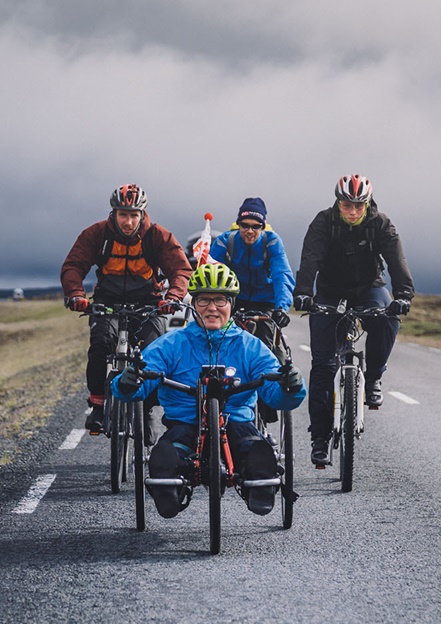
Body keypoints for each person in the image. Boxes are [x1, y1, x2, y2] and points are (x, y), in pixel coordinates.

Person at [112, 263, 306, 518]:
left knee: (256, 451)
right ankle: (169, 489)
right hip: (185, 423)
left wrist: (291, 387)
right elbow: (140, 382)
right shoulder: (171, 344)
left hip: (237, 423)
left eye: (220, 300)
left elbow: (274, 393)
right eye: (204, 300)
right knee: (166, 456)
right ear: (193, 304)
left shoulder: (251, 347)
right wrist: (128, 382)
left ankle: (259, 484)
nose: (212, 308)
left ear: (231, 304)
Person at [292, 174, 415, 467]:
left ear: (367, 203)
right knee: (323, 366)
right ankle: (319, 438)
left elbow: (397, 261)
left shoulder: (380, 224)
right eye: (347, 205)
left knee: (387, 317)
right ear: (338, 203)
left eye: (359, 206)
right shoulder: (323, 222)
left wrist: (403, 294)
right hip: (330, 291)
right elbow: (310, 259)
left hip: (368, 287)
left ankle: (373, 378)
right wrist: (304, 293)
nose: (353, 211)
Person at [60, 184, 192, 436]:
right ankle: (98, 404)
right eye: (123, 215)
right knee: (101, 344)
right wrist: (76, 294)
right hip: (107, 301)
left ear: (142, 214)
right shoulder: (97, 234)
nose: (128, 222)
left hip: (148, 303)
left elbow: (180, 269)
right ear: (114, 213)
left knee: (154, 352)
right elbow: (73, 265)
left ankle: (147, 409)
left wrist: (173, 297)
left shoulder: (157, 236)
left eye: (133, 215)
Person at [209, 196, 296, 423]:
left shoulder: (272, 242)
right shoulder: (225, 242)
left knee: (267, 348)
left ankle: (266, 409)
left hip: (264, 301)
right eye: (245, 225)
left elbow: (282, 274)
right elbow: (210, 275)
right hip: (233, 299)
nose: (250, 231)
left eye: (256, 226)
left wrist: (282, 307)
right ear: (238, 224)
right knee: (220, 344)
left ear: (263, 226)